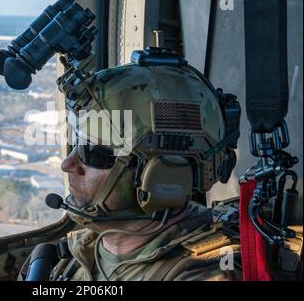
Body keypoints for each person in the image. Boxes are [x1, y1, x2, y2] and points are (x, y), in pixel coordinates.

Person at [24, 48, 243, 281]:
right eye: (75, 145)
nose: (68, 164)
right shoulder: (64, 259)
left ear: (162, 175)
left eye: (91, 152)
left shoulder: (205, 270)